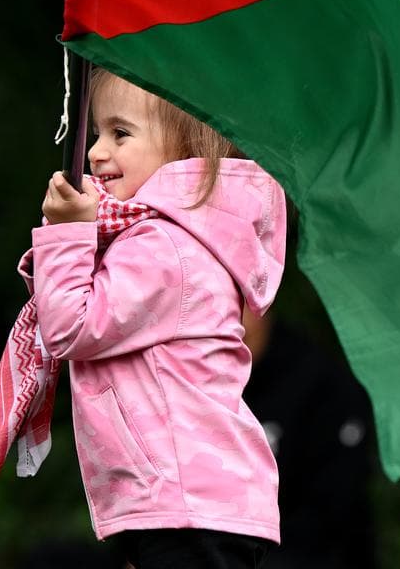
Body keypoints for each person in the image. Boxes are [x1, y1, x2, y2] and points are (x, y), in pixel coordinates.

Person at [35, 69, 287, 569]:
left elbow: (69, 327)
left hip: (184, 504)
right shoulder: (172, 239)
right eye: (97, 131)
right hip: (185, 501)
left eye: (120, 133)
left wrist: (66, 235)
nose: (94, 151)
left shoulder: (164, 247)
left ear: (184, 147)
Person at [241, 308, 379, 569]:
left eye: (241, 303)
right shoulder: (191, 387)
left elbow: (332, 514)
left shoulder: (321, 384)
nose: (231, 322)